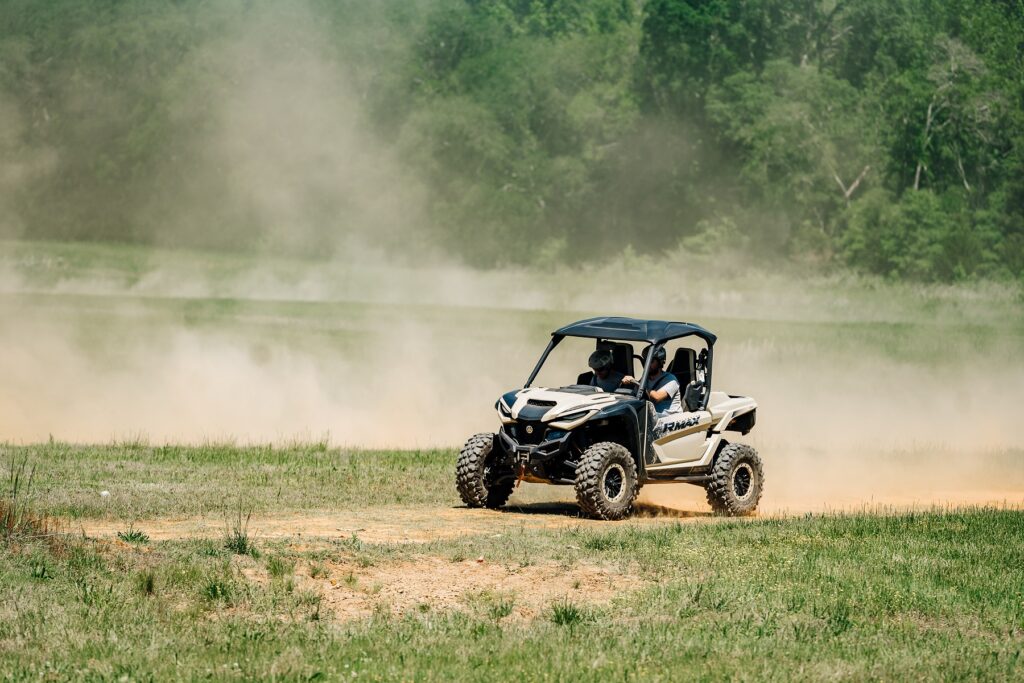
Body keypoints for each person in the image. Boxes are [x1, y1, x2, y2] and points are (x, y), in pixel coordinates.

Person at [623, 346, 679, 414]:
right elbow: (636, 395)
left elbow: (657, 397)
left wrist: (635, 382)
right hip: (652, 417)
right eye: (646, 361)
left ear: (660, 362)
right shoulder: (645, 379)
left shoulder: (671, 380)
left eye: (651, 361)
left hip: (669, 418)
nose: (647, 364)